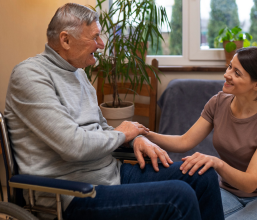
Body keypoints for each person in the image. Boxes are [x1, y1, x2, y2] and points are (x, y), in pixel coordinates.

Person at [4, 3, 224, 220]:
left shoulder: (78, 74)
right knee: (179, 196)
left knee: (202, 175)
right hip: (71, 194)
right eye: (95, 37)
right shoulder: (30, 76)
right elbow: (73, 145)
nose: (101, 44)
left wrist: (134, 139)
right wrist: (122, 134)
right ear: (65, 39)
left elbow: (102, 128)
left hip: (111, 174)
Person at [145, 47, 257, 220]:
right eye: (229, 67)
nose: (227, 74)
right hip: (229, 192)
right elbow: (184, 141)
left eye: (237, 73)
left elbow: (250, 183)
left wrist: (217, 163)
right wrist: (144, 134)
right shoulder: (218, 102)